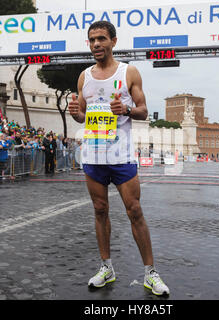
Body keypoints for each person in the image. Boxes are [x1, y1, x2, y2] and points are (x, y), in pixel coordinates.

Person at [68, 20, 169, 296]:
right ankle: (106, 267)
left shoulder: (129, 72)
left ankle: (150, 273)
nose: (96, 44)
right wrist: (74, 111)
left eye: (101, 39)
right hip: (92, 154)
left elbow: (144, 111)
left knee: (134, 210)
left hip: (121, 154)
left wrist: (125, 109)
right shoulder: (84, 77)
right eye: (92, 40)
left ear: (113, 41)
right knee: (100, 210)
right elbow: (83, 116)